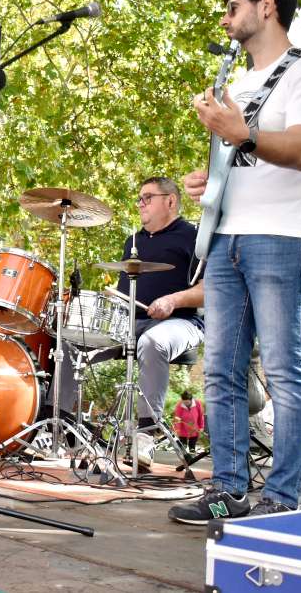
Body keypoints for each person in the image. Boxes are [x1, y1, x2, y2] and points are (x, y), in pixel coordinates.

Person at [169, 0, 301, 524]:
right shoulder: (238, 86)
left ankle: (281, 498)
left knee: (285, 369)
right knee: (220, 370)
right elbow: (239, 158)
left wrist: (238, 134)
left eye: (232, 6)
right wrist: (208, 177)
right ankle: (227, 488)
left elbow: (300, 151)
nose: (225, 17)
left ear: (266, 6)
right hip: (227, 239)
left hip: (287, 239)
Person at [100, 177, 204, 434]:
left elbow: (210, 290)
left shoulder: (194, 237)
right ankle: (62, 428)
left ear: (171, 201)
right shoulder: (133, 241)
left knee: (152, 341)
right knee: (70, 339)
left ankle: (147, 432)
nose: (140, 204)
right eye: (139, 199)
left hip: (182, 322)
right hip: (130, 323)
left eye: (147, 197)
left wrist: (172, 300)